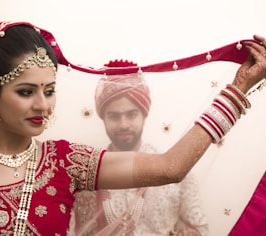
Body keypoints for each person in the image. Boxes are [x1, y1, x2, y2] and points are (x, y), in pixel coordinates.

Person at [0, 21, 265, 235]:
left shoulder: (65, 162)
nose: (43, 106)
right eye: (25, 92)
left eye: (49, 91)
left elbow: (170, 168)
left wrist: (238, 90)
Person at [73, 60, 208, 235]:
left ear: (144, 115)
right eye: (114, 116)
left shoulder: (175, 167)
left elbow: (200, 229)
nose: (123, 124)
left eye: (131, 114)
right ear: (103, 118)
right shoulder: (89, 173)